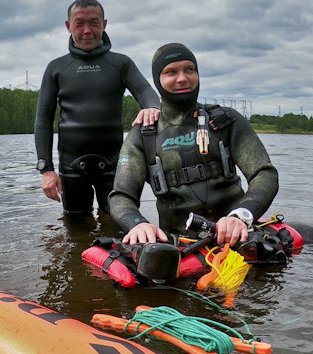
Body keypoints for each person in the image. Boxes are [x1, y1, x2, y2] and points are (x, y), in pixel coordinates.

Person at [108, 43, 279, 248]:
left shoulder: (227, 121)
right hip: (180, 244)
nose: (182, 78)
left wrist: (241, 214)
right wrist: (138, 224)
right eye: (171, 72)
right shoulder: (143, 134)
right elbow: (120, 197)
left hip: (238, 234)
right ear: (157, 80)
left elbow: (265, 173)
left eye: (189, 69)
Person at [34, 0, 160, 216]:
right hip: (71, 167)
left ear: (104, 24)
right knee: (75, 226)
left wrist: (152, 108)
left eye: (94, 23)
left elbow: (146, 92)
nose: (87, 31)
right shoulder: (57, 68)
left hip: (114, 166)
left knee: (118, 224)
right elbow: (43, 120)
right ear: (68, 26)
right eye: (79, 23)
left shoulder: (121, 64)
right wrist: (46, 169)